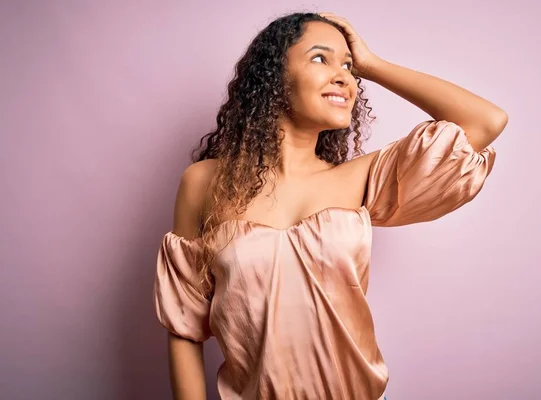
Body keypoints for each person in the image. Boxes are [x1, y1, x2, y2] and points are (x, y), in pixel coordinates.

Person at [153, 11, 507, 400]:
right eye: (320, 58)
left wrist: (373, 65)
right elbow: (183, 326)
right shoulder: (205, 183)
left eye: (349, 67)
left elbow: (485, 121)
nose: (345, 77)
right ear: (273, 77)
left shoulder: (359, 178)